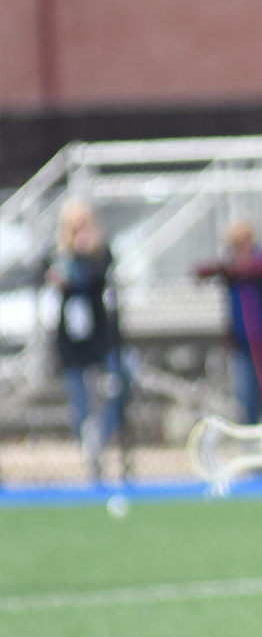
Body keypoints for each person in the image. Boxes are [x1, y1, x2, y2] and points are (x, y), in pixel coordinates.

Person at [43, 200, 130, 483]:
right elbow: (45, 273)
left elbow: (94, 278)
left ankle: (101, 436)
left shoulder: (99, 253)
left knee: (122, 379)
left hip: (99, 338)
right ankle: (91, 460)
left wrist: (81, 258)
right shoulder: (59, 256)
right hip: (72, 340)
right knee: (79, 402)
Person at [196, 221, 262, 431]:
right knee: (247, 402)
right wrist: (228, 267)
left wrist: (235, 267)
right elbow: (201, 272)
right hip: (245, 348)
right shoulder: (230, 270)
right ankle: (251, 448)